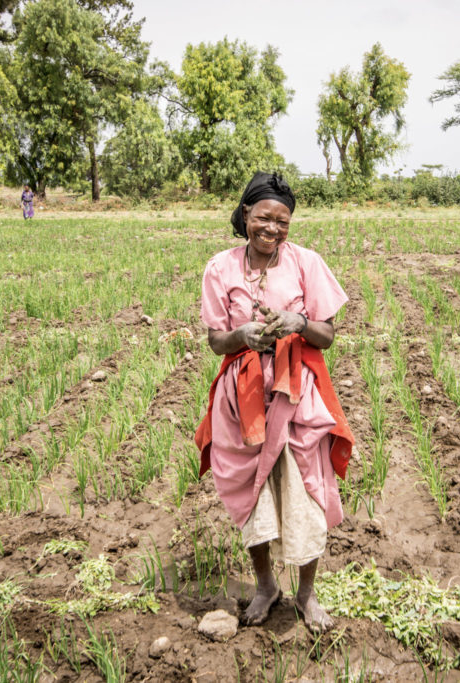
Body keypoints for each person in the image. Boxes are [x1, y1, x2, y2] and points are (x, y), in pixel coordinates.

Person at [194, 172, 354, 634]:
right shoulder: (220, 268)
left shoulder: (306, 262)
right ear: (245, 215)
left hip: (297, 392)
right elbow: (215, 341)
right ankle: (266, 585)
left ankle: (306, 592)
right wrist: (242, 335)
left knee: (307, 487)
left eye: (282, 222)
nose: (273, 229)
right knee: (252, 492)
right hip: (243, 399)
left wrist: (298, 321)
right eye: (264, 218)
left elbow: (327, 333)